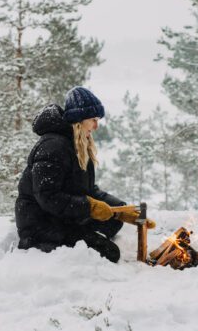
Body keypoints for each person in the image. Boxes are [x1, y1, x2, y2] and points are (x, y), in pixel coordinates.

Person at [15, 86, 154, 263]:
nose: (96, 126)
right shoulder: (53, 147)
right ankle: (70, 243)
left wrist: (122, 209)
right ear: (79, 120)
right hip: (41, 224)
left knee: (113, 221)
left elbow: (88, 190)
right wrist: (90, 207)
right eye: (93, 120)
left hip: (60, 216)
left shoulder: (78, 144)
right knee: (109, 252)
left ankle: (83, 236)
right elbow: (47, 196)